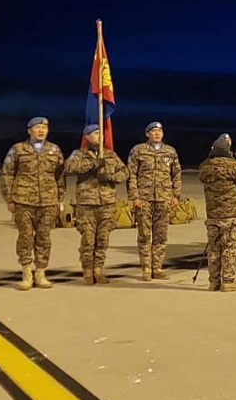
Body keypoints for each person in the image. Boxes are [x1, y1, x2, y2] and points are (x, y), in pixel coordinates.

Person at [2, 117, 65, 290]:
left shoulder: (54, 150)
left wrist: (59, 199)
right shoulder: (18, 149)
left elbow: (60, 176)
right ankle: (26, 273)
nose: (41, 131)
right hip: (23, 201)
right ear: (29, 130)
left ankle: (41, 273)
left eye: (44, 128)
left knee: (44, 237)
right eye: (37, 127)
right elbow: (8, 174)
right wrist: (9, 199)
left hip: (48, 201)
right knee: (25, 237)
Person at [64, 124, 128, 285]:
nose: (99, 136)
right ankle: (87, 270)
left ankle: (98, 269)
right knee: (88, 239)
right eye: (95, 133)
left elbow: (124, 172)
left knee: (103, 239)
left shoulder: (110, 155)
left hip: (107, 203)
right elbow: (69, 167)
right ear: (87, 137)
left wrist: (111, 177)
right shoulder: (79, 154)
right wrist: (92, 164)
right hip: (87, 204)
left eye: (100, 133)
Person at [127, 121, 182, 280]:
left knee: (161, 235)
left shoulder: (170, 152)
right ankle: (146, 267)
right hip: (144, 199)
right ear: (147, 134)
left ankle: (157, 267)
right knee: (144, 235)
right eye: (153, 131)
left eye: (159, 131)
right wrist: (134, 197)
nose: (157, 133)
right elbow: (132, 175)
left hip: (164, 199)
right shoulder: (139, 150)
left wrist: (175, 195)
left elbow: (176, 175)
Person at [198, 134, 236, 292]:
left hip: (212, 214)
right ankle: (227, 281)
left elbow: (201, 177)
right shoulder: (233, 166)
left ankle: (213, 282)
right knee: (229, 248)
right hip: (230, 213)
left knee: (213, 248)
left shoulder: (206, 166)